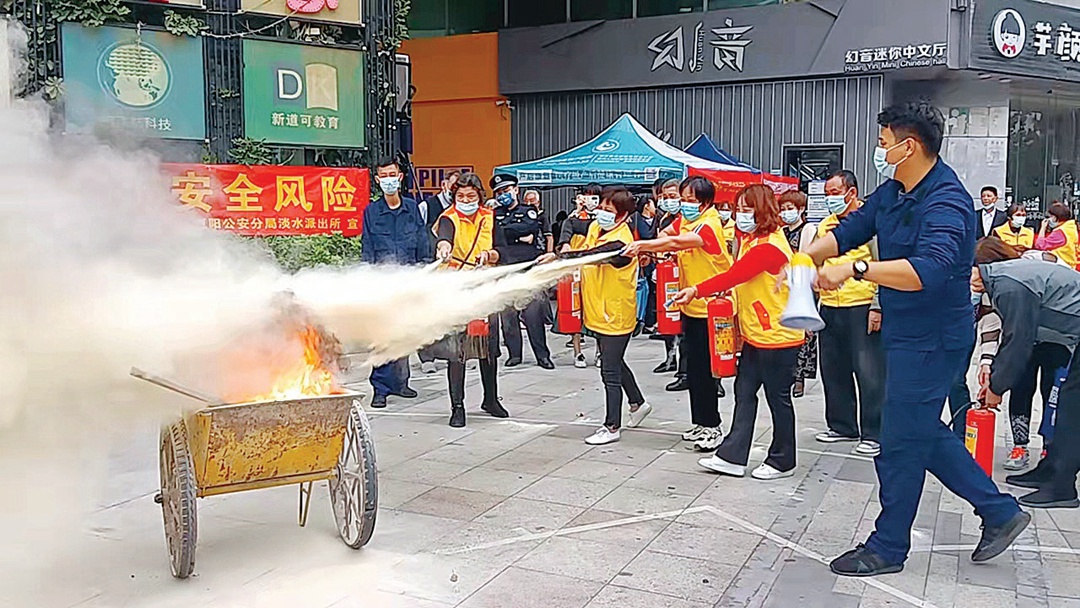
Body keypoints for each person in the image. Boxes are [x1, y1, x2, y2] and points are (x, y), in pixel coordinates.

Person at [802, 101, 1027, 577]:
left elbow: (929, 269)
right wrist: (804, 256)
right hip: (905, 334)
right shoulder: (894, 191)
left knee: (900, 443)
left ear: (909, 146)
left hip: (935, 339)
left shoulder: (946, 201)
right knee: (919, 431)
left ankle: (888, 547)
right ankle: (999, 511)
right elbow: (853, 228)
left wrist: (856, 269)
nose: (879, 151)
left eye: (883, 143)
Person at [673, 184, 805, 480]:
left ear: (763, 211)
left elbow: (734, 275)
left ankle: (783, 460)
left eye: (747, 210)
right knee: (744, 392)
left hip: (779, 336)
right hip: (756, 333)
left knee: (778, 399)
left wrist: (696, 290)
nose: (740, 215)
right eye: (738, 209)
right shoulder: (750, 239)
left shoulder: (770, 246)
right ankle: (732, 455)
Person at [623, 176, 732, 451]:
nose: (685, 205)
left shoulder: (709, 225)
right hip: (691, 305)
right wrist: (659, 243)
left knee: (706, 371)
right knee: (693, 369)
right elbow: (667, 235)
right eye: (683, 199)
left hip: (711, 307)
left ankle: (713, 426)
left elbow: (677, 242)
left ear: (705, 202)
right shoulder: (687, 220)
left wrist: (644, 246)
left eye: (690, 200)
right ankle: (700, 423)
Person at [542, 187, 650, 445]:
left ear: (623, 216)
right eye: (601, 207)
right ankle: (638, 403)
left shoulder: (623, 243)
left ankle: (612, 426)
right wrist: (562, 244)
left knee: (609, 370)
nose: (601, 213)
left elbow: (593, 255)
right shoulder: (595, 227)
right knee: (615, 361)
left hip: (616, 314)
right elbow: (571, 226)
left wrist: (559, 257)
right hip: (597, 310)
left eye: (608, 210)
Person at [973, 255, 1080, 509]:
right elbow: (1008, 333)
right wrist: (992, 373)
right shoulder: (1001, 278)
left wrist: (997, 387)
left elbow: (1019, 340)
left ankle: (1062, 488)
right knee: (1067, 402)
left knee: (1073, 407)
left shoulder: (1009, 285)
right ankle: (1051, 469)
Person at [813, 170, 885, 457]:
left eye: (834, 193)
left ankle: (874, 432)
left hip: (862, 304)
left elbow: (883, 265)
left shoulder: (870, 225)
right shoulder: (825, 225)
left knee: (869, 372)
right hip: (830, 306)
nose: (830, 199)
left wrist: (877, 305)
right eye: (827, 194)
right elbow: (817, 260)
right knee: (833, 368)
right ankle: (842, 425)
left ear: (851, 193)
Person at [433, 173, 510, 427]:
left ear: (479, 196)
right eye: (460, 196)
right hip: (457, 291)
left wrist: (490, 255)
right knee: (458, 352)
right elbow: (444, 237)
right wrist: (444, 247)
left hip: (485, 289)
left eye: (471, 196)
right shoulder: (448, 217)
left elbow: (503, 251)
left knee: (489, 348)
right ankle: (457, 406)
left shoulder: (490, 218)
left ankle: (491, 399)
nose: (465, 200)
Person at [361, 157, 427, 408]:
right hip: (383, 283)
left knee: (404, 332)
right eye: (384, 176)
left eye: (393, 175)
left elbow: (422, 242)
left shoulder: (412, 208)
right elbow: (367, 247)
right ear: (378, 180)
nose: (389, 180)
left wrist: (424, 269)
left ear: (400, 177)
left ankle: (401, 383)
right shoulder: (372, 212)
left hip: (409, 280)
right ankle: (380, 388)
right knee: (382, 336)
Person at [490, 173, 555, 370]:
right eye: (499, 192)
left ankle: (542, 356)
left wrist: (510, 232)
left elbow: (529, 227)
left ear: (516, 190)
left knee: (533, 315)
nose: (503, 195)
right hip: (505, 268)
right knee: (508, 316)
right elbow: (497, 235)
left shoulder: (528, 211)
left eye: (506, 190)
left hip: (527, 268)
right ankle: (514, 354)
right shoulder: (494, 214)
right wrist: (519, 235)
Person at [418, 170, 462, 374]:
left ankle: (453, 353)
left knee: (451, 314)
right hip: (430, 265)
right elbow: (419, 232)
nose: (456, 191)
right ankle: (427, 357)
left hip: (454, 270)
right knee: (427, 315)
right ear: (444, 185)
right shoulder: (427, 206)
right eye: (453, 187)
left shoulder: (462, 210)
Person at [558, 184, 602, 368]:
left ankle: (600, 352)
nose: (591, 200)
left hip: (597, 271)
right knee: (575, 309)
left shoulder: (604, 219)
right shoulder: (572, 220)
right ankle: (578, 353)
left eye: (595, 196)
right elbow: (565, 239)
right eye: (587, 195)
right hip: (577, 270)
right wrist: (566, 247)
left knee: (598, 310)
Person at [780, 191, 818, 399]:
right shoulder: (782, 232)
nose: (786, 213)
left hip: (803, 285)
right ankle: (786, 374)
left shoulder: (808, 230)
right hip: (784, 286)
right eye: (783, 209)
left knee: (804, 334)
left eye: (790, 208)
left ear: (801, 209)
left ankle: (799, 378)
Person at [651, 178, 689, 388]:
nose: (668, 201)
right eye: (664, 197)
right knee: (667, 317)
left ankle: (685, 372)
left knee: (686, 328)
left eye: (673, 196)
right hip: (668, 275)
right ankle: (670, 358)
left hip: (688, 278)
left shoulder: (688, 219)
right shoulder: (664, 219)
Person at [1035, 201, 1079, 269]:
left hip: (1062, 265)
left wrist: (1043, 228)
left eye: (1051, 216)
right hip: (1070, 264)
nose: (1049, 219)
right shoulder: (1070, 227)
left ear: (1056, 217)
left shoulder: (1061, 232)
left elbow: (1040, 245)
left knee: (1031, 255)